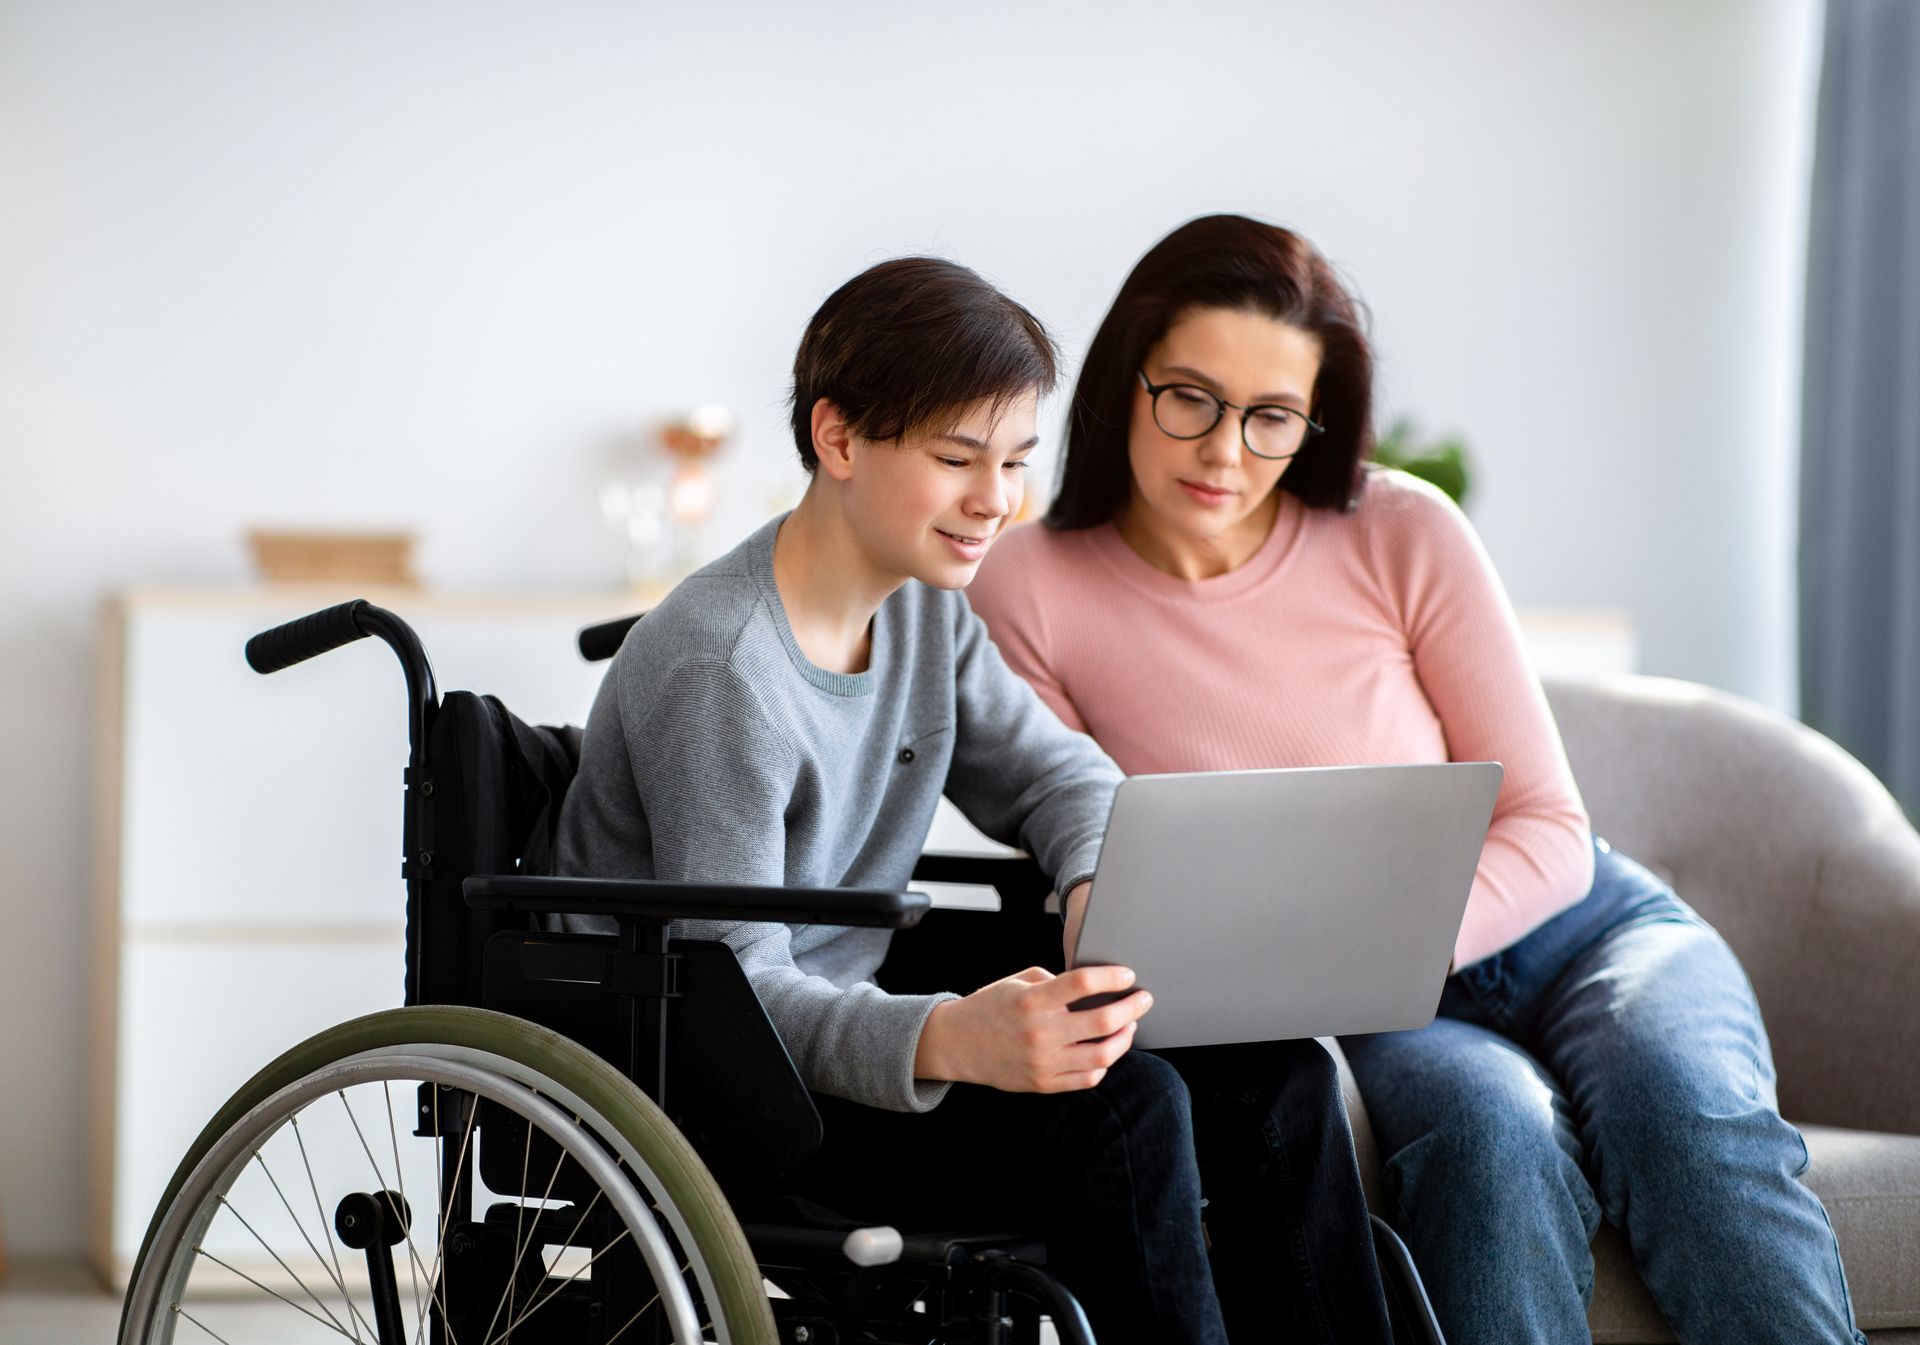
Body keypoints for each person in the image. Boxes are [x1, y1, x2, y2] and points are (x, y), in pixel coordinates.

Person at [967, 213, 1868, 1345]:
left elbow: (1547, 824)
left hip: (1579, 928)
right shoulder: (1026, 586)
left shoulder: (1398, 526)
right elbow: (1080, 834)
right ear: (1123, 380)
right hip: (1375, 1009)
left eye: (1273, 417)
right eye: (1188, 397)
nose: (1224, 451)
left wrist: (1390, 941)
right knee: (1490, 1136)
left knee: (1683, 1118)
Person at [554, 255, 1394, 1344]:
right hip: (722, 1079)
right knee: (1125, 1110)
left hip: (835, 1009)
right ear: (840, 438)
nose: (995, 501)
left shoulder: (922, 615)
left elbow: (1061, 773)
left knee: (1269, 1073)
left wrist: (1098, 881)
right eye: (958, 458)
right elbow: (739, 987)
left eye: (1013, 460)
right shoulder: (723, 668)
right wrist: (952, 1038)